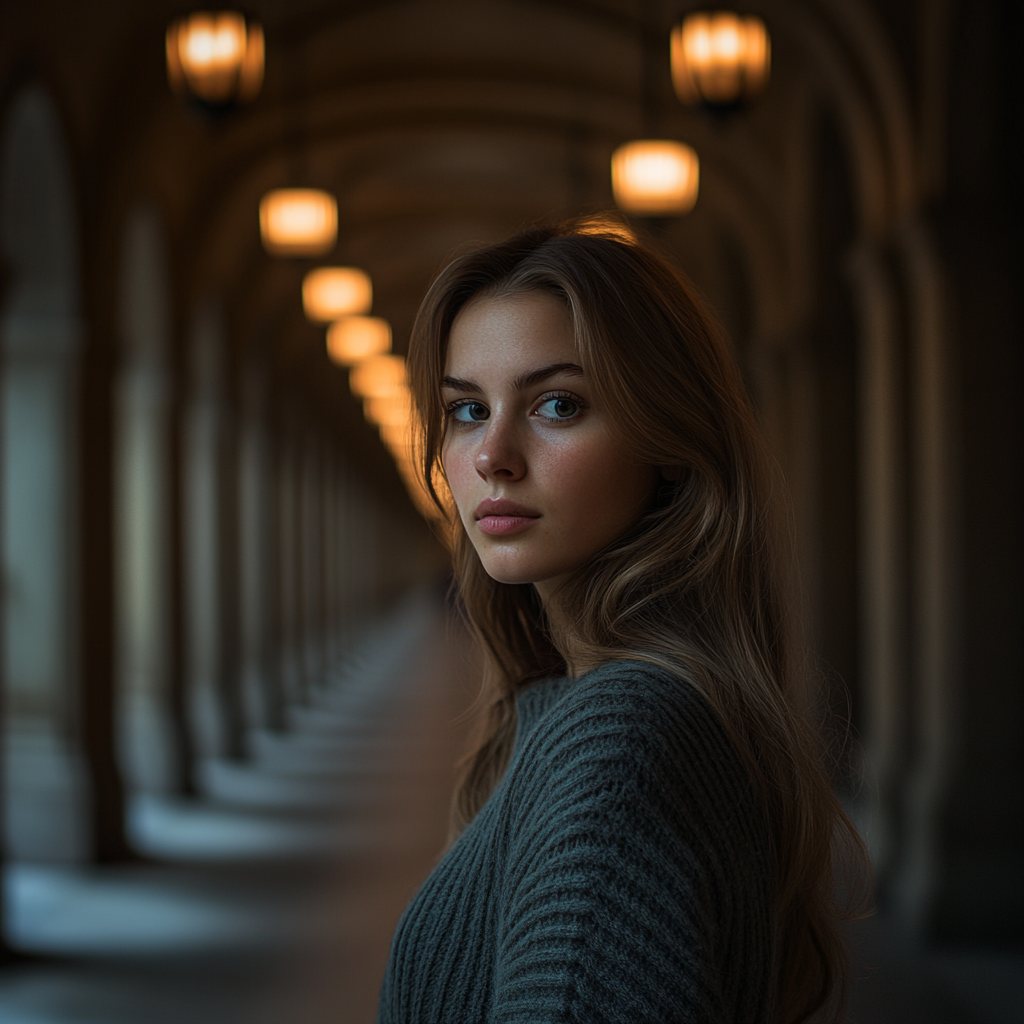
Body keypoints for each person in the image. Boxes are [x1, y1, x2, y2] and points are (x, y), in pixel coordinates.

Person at [377, 216, 869, 1024]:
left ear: (668, 440)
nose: (493, 454)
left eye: (557, 404)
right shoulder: (591, 709)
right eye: (467, 411)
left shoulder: (618, 747)